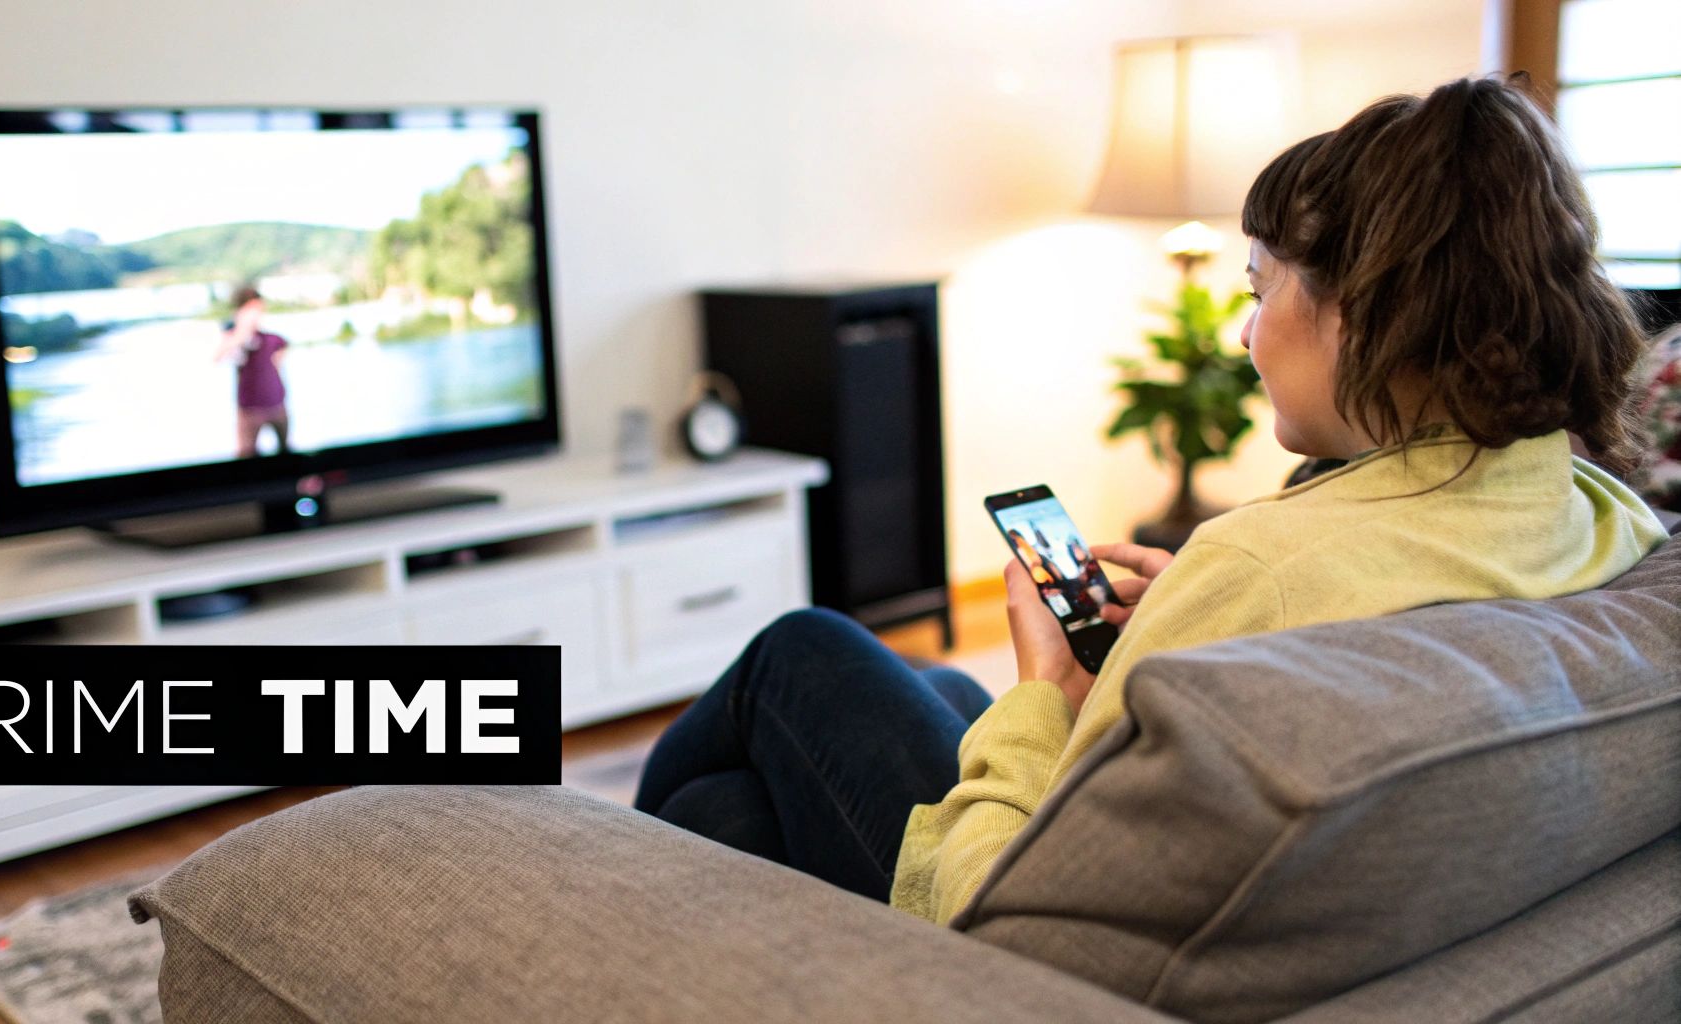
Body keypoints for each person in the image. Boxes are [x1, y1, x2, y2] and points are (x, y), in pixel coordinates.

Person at [633, 75, 1671, 926]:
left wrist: (1044, 680)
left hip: (1005, 949)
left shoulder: (1259, 569)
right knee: (850, 740)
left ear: (1352, 315)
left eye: (1259, 289)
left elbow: (988, 907)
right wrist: (1191, 621)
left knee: (798, 657)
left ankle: (610, 891)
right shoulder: (1596, 506)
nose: (1242, 332)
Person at [214, 283, 291, 457]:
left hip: (277, 404)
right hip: (250, 409)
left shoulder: (272, 338)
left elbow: (279, 361)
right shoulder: (233, 336)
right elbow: (219, 357)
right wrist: (241, 333)